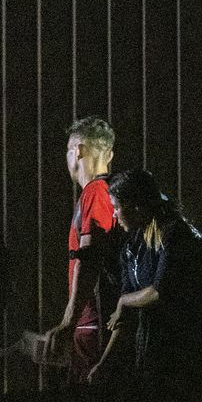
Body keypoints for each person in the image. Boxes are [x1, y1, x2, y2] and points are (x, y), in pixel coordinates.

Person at [91, 169, 202, 384]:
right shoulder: (131, 247)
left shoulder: (174, 234)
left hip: (184, 357)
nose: (114, 214)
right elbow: (123, 316)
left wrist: (124, 301)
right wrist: (103, 363)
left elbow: (160, 291)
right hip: (150, 357)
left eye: (117, 207)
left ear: (136, 205)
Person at [37, 116, 118, 383]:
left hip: (93, 324)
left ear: (78, 150)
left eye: (67, 151)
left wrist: (69, 322)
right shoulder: (110, 193)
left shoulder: (95, 192)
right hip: (97, 323)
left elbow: (89, 257)